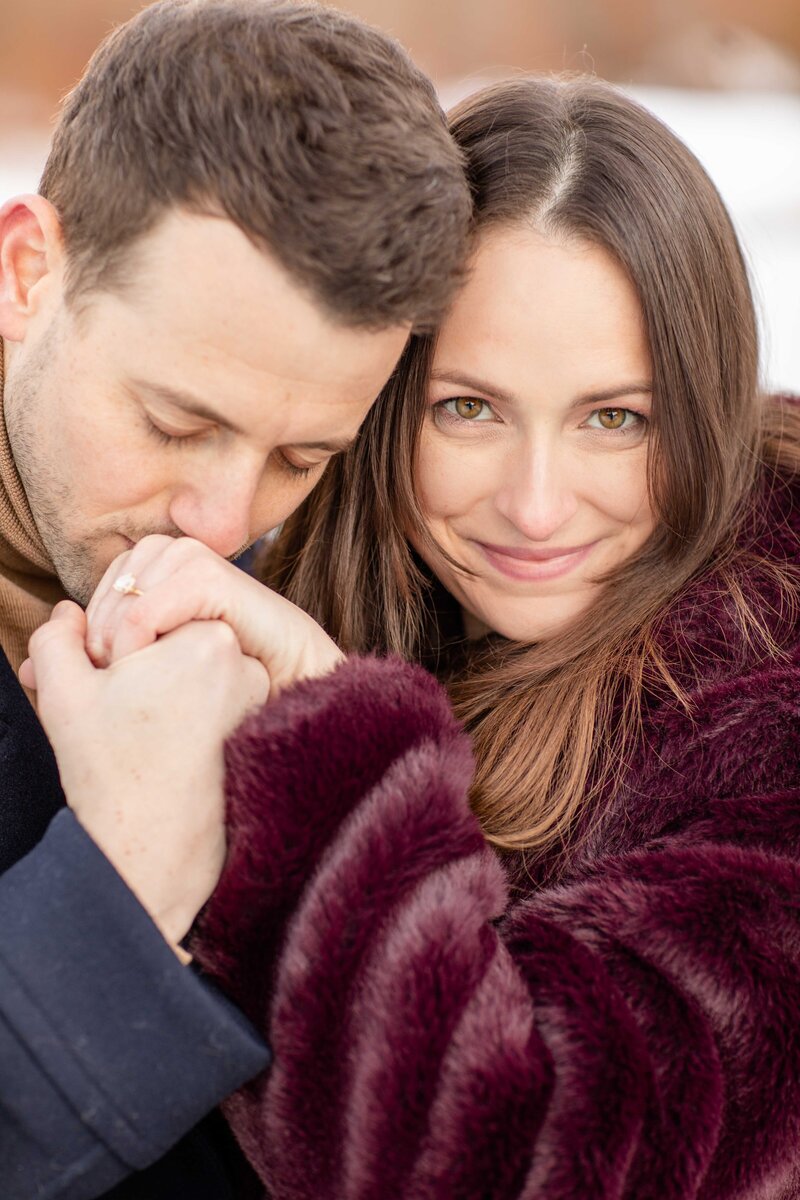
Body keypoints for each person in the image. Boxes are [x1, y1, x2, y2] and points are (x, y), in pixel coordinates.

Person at [34, 77, 800, 1196]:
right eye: (468, 408)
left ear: (703, 407)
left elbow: (523, 1160)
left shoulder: (767, 730)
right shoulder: (305, 570)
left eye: (613, 418)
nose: (535, 507)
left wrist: (317, 738)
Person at [0, 0, 470, 1195]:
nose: (221, 522)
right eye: (173, 422)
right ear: (27, 270)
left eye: (298, 459)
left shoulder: (382, 584)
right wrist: (120, 880)